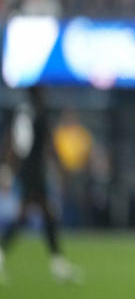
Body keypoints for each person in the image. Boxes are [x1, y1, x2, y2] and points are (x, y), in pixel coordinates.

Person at [0, 85, 82, 284]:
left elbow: (15, 143)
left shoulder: (23, 111)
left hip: (29, 172)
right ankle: (57, 263)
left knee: (42, 215)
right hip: (33, 173)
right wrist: (60, 168)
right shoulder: (37, 113)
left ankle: (57, 262)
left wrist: (9, 169)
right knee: (36, 214)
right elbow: (37, 145)